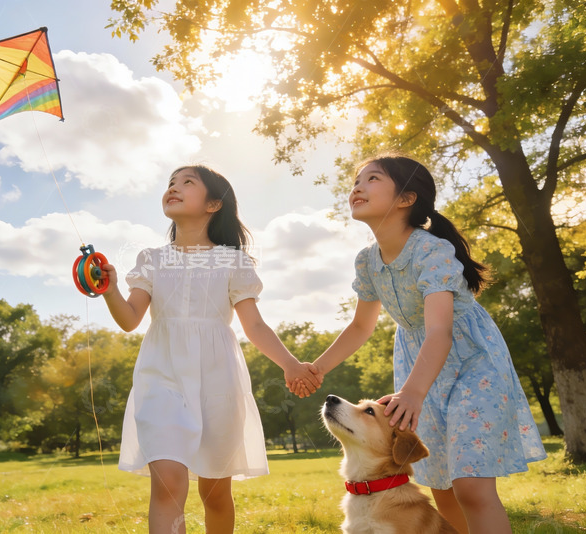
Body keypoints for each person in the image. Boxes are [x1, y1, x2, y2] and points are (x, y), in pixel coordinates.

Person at [297, 155, 546, 534]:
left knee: (471, 488)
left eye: (372, 179)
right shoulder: (367, 261)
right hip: (417, 366)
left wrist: (412, 394)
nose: (357, 187)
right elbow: (361, 326)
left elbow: (440, 332)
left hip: (472, 364)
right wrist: (317, 368)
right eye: (356, 181)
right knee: (442, 488)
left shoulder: (431, 250)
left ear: (406, 198)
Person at [101, 165, 321, 534]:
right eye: (171, 182)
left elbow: (254, 325)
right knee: (168, 482)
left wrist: (290, 364)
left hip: (218, 380)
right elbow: (129, 319)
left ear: (213, 204)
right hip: (162, 376)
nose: (174, 187)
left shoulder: (233, 261)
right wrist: (109, 290)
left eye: (188, 182)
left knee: (215, 493)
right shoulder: (152, 259)